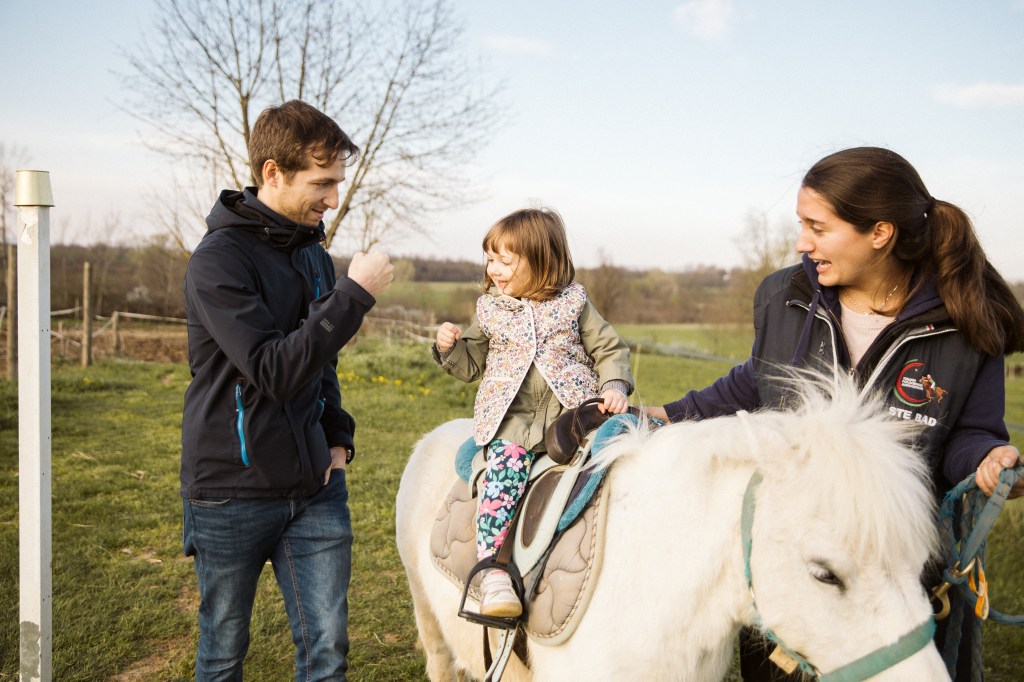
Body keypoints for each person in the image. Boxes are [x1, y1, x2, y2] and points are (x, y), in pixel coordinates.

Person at [644, 146, 1024, 681]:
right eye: (802, 225)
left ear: (880, 233)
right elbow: (757, 381)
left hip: (896, 575)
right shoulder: (783, 295)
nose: (803, 243)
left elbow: (968, 433)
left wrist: (987, 459)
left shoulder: (966, 317)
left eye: (817, 227)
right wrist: (663, 415)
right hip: (795, 563)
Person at [181, 99, 394, 680]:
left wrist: (337, 437)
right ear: (273, 172)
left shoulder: (313, 256)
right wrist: (354, 295)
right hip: (231, 490)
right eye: (323, 183)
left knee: (327, 651)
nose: (334, 199)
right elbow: (272, 370)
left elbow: (321, 364)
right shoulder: (217, 262)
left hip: (317, 488)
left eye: (338, 183)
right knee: (223, 651)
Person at [433, 207, 634, 618]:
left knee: (618, 460)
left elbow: (608, 347)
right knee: (504, 477)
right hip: (515, 421)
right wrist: (449, 347)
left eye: (505, 261)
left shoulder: (574, 303)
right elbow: (470, 365)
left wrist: (614, 385)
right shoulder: (491, 310)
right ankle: (493, 572)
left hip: (573, 414)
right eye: (491, 259)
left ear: (542, 262)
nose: (494, 269)